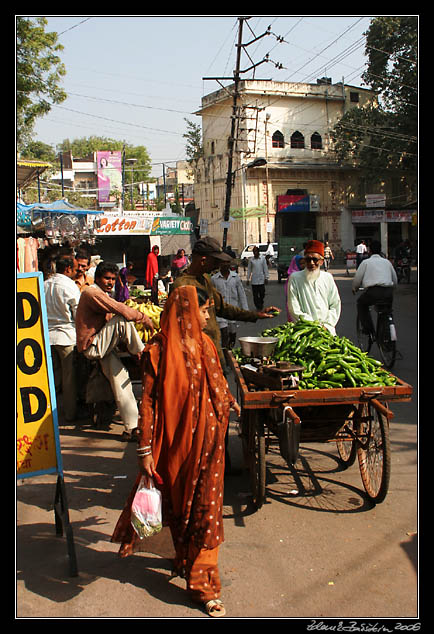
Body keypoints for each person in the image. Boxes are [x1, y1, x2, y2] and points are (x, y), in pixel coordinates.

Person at [111, 286, 241, 617]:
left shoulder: (207, 345)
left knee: (207, 512)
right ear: (186, 310)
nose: (208, 316)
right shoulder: (157, 351)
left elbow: (218, 385)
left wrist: (228, 400)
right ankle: (183, 559)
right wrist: (145, 449)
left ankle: (204, 587)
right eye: (204, 309)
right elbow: (150, 402)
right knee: (180, 509)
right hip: (173, 448)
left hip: (209, 448)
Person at [75, 261, 154, 441]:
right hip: (92, 347)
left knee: (121, 380)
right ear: (97, 279)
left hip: (103, 347)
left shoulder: (102, 294)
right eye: (106, 278)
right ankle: (142, 353)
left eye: (112, 279)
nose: (110, 282)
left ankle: (132, 427)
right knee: (121, 320)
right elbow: (121, 310)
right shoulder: (92, 293)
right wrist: (143, 317)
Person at [171, 236, 278, 368]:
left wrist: (255, 315)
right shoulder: (182, 286)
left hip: (213, 350)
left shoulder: (204, 279)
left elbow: (223, 308)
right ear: (203, 261)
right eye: (215, 262)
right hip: (196, 358)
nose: (217, 266)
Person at [44, 257, 82, 422]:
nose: (76, 272)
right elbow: (78, 314)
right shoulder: (69, 286)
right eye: (74, 269)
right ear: (67, 269)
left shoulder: (44, 284)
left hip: (47, 337)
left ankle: (50, 416)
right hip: (66, 337)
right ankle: (70, 414)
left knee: (53, 378)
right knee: (69, 380)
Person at [287, 240, 341, 335]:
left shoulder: (328, 278)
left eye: (315, 259)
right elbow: (293, 308)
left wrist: (326, 326)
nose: (311, 263)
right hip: (305, 332)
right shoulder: (295, 278)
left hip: (327, 331)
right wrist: (313, 327)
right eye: (308, 259)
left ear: (321, 261)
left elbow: (335, 305)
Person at [352, 240, 397, 339]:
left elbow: (357, 279)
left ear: (369, 251)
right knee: (387, 310)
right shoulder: (387, 262)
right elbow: (395, 279)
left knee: (361, 303)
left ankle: (368, 329)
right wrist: (393, 288)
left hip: (373, 292)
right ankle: (388, 326)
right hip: (388, 293)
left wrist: (355, 288)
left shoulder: (366, 263)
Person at [211, 260, 249, 349]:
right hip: (221, 313)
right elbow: (211, 295)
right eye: (223, 263)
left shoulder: (235, 278)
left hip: (232, 311)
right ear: (220, 265)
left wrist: (245, 311)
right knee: (224, 333)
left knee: (232, 333)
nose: (225, 265)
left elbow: (241, 294)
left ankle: (230, 350)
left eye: (227, 263)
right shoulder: (214, 279)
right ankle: (226, 355)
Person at [246, 246, 269, 310]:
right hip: (254, 280)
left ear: (258, 252)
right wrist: (248, 279)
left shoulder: (262, 259)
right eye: (254, 252)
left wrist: (266, 277)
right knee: (255, 295)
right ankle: (258, 306)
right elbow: (249, 270)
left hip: (261, 279)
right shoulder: (251, 260)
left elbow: (265, 268)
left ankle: (261, 302)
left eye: (256, 251)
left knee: (262, 293)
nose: (255, 253)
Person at [284, 254, 305, 320]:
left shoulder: (304, 274)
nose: (303, 265)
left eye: (304, 263)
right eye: (301, 264)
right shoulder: (293, 276)